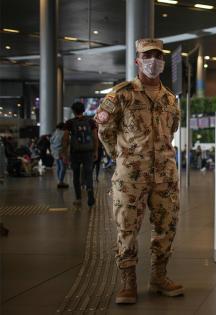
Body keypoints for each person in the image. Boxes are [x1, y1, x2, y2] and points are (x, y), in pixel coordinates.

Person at [95, 38, 183, 304]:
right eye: (147, 55)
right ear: (137, 60)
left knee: (166, 226)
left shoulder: (170, 98)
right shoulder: (120, 95)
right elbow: (105, 132)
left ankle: (159, 276)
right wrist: (123, 158)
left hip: (165, 175)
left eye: (158, 55)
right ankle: (128, 280)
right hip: (130, 176)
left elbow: (173, 130)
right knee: (127, 227)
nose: (153, 60)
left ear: (164, 61)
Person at [62, 102, 98, 208]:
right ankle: (90, 196)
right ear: (83, 110)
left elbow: (65, 139)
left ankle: (78, 198)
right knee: (88, 175)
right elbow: (95, 137)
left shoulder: (69, 123)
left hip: (75, 153)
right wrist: (95, 151)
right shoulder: (90, 122)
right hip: (88, 152)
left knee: (76, 176)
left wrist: (64, 153)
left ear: (73, 111)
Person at [50, 123, 68, 188]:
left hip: (55, 151)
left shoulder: (55, 132)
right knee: (63, 167)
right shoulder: (64, 133)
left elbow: (51, 141)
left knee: (58, 166)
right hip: (61, 151)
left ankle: (59, 181)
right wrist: (64, 154)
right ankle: (61, 181)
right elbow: (64, 144)